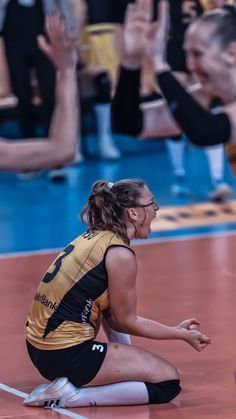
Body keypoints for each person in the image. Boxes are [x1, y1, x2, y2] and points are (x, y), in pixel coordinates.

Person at [23, 178, 211, 408]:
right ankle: (70, 397)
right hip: (66, 353)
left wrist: (130, 362)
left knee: (140, 369)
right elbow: (125, 321)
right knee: (167, 381)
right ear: (133, 213)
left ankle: (71, 384)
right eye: (151, 203)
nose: (156, 209)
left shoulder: (94, 237)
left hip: (41, 350)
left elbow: (111, 313)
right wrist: (180, 334)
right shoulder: (119, 254)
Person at [111, 0, 236, 184]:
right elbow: (128, 123)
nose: (190, 65)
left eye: (198, 54)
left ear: (232, 53)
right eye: (187, 54)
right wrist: (131, 61)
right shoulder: (210, 95)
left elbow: (206, 132)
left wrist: (160, 67)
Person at [0, 4, 79, 171]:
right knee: (22, 95)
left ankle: (46, 165)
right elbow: (63, 149)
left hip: (39, 29)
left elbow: (62, 151)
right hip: (15, 31)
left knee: (48, 94)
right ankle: (30, 163)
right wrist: (66, 72)